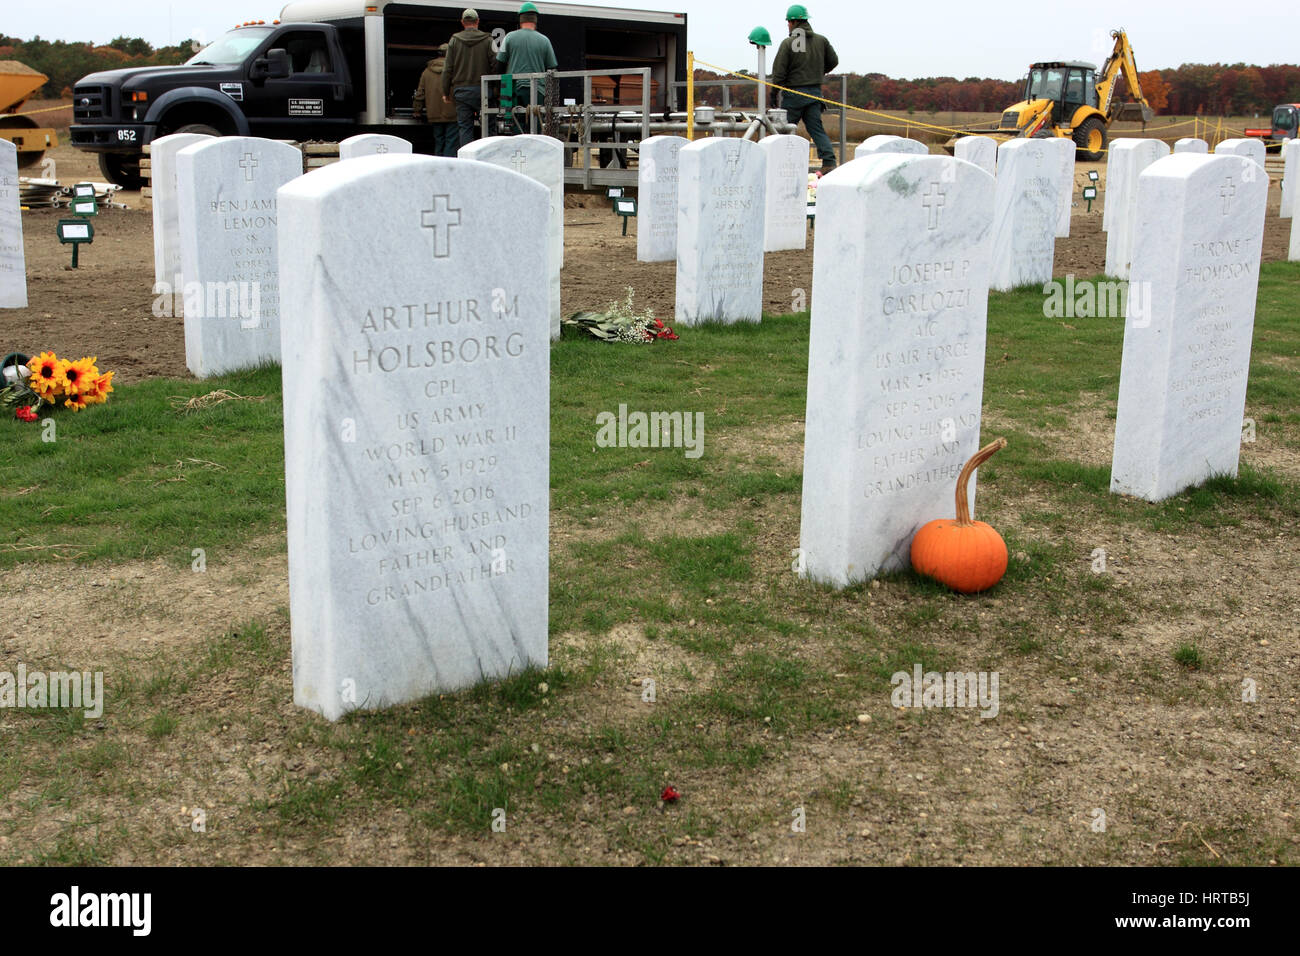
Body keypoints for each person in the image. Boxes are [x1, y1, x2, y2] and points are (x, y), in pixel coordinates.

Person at [770, 4, 839, 173]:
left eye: (788, 22)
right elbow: (834, 61)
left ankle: (779, 165)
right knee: (816, 129)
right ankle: (829, 162)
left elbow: (779, 72)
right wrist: (818, 72)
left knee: (784, 130)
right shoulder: (821, 41)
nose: (788, 25)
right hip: (815, 93)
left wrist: (773, 92)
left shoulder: (788, 43)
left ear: (793, 22)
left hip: (794, 95)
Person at [496, 2, 558, 133]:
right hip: (538, 91)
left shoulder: (509, 37)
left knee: (517, 126)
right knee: (535, 127)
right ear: (535, 20)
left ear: (520, 20)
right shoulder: (545, 40)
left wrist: (498, 89)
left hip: (514, 90)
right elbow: (552, 68)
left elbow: (499, 65)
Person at [442, 8, 496, 147]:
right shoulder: (488, 39)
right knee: (488, 128)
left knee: (465, 129)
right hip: (483, 92)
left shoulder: (454, 40)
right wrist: (496, 89)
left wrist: (445, 91)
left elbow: (447, 68)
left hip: (461, 92)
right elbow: (496, 64)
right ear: (477, 21)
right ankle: (488, 157)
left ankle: (467, 159)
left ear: (462, 22)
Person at [413, 44, 458, 156]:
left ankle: (437, 162)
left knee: (439, 141)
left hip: (433, 113)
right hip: (452, 113)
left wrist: (417, 110)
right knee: (451, 142)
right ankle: (447, 167)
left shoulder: (426, 72)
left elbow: (420, 93)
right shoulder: (455, 71)